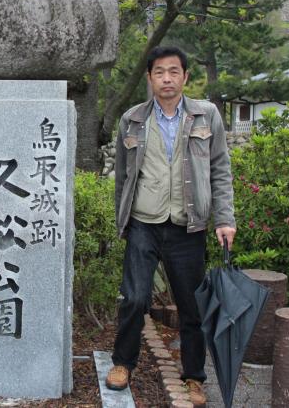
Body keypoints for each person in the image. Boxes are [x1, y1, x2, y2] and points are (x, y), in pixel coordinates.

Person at [105, 46, 236, 408]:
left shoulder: (206, 116)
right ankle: (123, 363)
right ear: (150, 77)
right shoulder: (132, 119)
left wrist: (225, 219)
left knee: (191, 306)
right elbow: (123, 178)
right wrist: (122, 221)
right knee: (134, 297)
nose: (167, 79)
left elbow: (220, 170)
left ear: (185, 76)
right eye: (159, 72)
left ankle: (193, 376)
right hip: (143, 223)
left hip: (187, 226)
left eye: (174, 71)